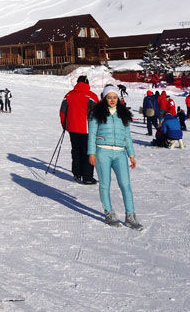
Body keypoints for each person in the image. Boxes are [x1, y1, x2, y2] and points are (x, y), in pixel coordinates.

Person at [87, 85, 142, 230]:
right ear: (104, 98)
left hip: (119, 154)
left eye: (115, 97)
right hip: (102, 152)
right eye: (109, 97)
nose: (112, 100)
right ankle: (109, 213)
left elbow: (127, 137)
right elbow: (91, 135)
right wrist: (91, 153)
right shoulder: (96, 114)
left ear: (118, 98)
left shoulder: (123, 114)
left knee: (125, 184)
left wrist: (131, 155)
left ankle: (130, 215)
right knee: (105, 184)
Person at [59, 76, 99, 185]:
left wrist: (64, 125)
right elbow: (98, 114)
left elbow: (63, 112)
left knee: (75, 150)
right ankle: (87, 177)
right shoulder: (91, 96)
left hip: (72, 128)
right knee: (87, 151)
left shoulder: (69, 95)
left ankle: (77, 173)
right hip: (86, 128)